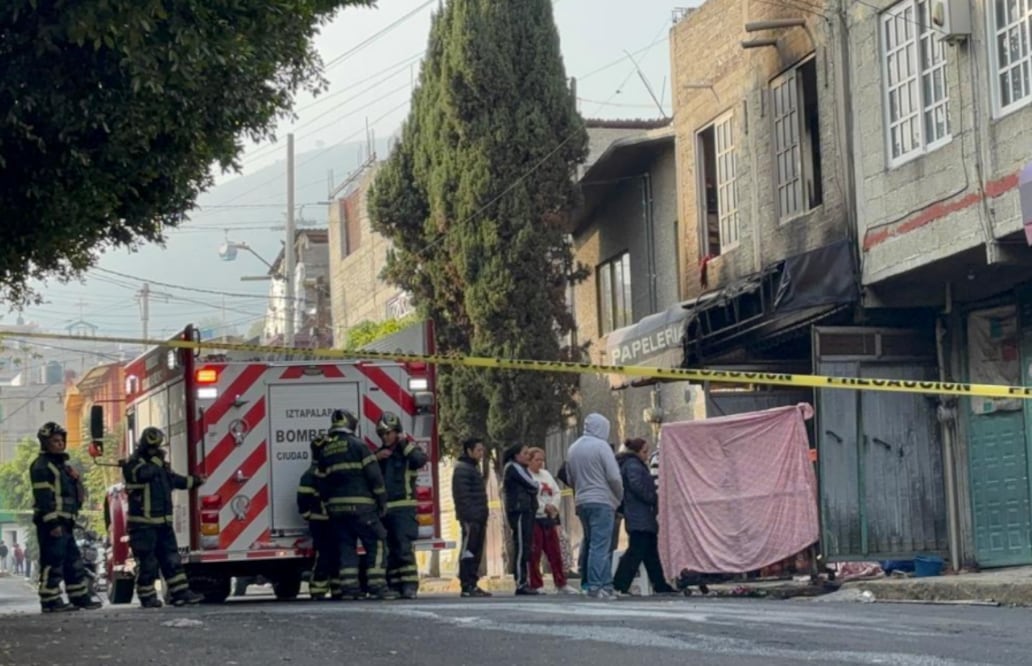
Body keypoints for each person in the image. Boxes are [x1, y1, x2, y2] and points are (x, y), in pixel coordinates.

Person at [313, 408, 394, 600]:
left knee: (346, 546)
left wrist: (329, 504)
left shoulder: (326, 450)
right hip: (362, 509)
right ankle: (377, 586)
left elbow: (320, 481)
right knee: (378, 541)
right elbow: (375, 476)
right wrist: (382, 501)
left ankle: (349, 589)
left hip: (336, 511)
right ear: (351, 424)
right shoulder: (359, 446)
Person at [122, 426, 205, 608]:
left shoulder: (159, 466)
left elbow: (174, 480)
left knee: (172, 560)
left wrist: (194, 481)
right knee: (148, 563)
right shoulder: (133, 464)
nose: (156, 450)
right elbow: (143, 474)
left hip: (163, 524)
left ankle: (180, 593)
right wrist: (156, 462)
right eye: (153, 447)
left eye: (157, 447)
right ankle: (147, 596)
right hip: (143, 526)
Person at [30, 421, 103, 612]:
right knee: (52, 562)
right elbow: (44, 499)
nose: (60, 444)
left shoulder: (63, 467)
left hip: (66, 522)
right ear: (45, 443)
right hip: (52, 524)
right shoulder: (41, 466)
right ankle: (50, 600)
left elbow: (75, 496)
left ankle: (79, 597)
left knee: (73, 562)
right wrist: (53, 523)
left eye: (62, 440)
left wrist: (76, 479)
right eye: (55, 441)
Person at [565, 413, 623, 600]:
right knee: (601, 545)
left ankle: (603, 584)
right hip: (602, 500)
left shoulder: (573, 448)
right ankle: (597, 586)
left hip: (582, 501)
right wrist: (618, 496)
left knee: (592, 543)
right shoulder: (601, 446)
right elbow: (614, 476)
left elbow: (570, 476)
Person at [374, 411, 428, 600]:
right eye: (382, 434)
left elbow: (420, 460)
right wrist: (377, 458)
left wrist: (404, 443)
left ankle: (410, 586)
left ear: (397, 432)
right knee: (390, 550)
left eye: (389, 433)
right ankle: (395, 585)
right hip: (385, 508)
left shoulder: (408, 451)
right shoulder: (380, 455)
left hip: (404, 508)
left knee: (404, 548)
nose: (385, 437)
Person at [613, 438, 677, 596]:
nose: (647, 455)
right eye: (644, 452)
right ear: (636, 452)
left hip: (640, 515)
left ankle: (660, 584)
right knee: (636, 551)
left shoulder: (633, 464)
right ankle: (620, 584)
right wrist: (653, 497)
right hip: (639, 515)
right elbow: (638, 486)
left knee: (650, 552)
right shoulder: (633, 466)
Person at [526, 447, 578, 594]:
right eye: (537, 460)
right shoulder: (527, 475)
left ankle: (561, 582)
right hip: (536, 518)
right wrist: (543, 507)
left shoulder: (546, 474)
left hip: (549, 518)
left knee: (555, 552)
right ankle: (536, 584)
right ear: (529, 461)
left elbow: (556, 492)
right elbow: (531, 496)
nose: (540, 463)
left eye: (542, 460)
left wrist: (553, 506)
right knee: (535, 553)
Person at [297, 438, 340, 600]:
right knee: (324, 555)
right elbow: (302, 499)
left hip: (329, 520)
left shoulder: (316, 473)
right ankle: (318, 589)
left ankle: (336, 588)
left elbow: (302, 499)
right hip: (321, 522)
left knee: (335, 554)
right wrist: (308, 515)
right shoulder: (313, 474)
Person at [452, 437, 491, 598]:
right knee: (469, 550)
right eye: (478, 450)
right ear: (469, 451)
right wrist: (471, 517)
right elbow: (463, 497)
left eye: (482, 450)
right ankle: (467, 584)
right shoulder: (463, 469)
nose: (481, 454)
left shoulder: (472, 468)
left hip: (478, 518)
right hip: (471, 519)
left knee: (476, 551)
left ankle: (472, 583)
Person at [502, 443, 539, 596]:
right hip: (519, 511)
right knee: (522, 546)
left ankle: (524, 581)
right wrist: (533, 487)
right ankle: (520, 582)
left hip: (526, 510)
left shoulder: (520, 468)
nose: (527, 456)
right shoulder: (513, 467)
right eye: (524, 453)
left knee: (526, 546)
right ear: (516, 455)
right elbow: (533, 484)